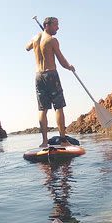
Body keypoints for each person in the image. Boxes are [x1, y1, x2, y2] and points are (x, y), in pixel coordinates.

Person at [25, 17, 75, 147]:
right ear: (47, 25)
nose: (58, 28)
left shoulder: (36, 38)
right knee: (59, 108)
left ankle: (44, 142)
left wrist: (39, 37)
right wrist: (70, 67)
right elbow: (61, 61)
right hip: (51, 75)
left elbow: (27, 47)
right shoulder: (52, 40)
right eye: (56, 25)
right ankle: (63, 140)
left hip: (38, 77)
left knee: (43, 109)